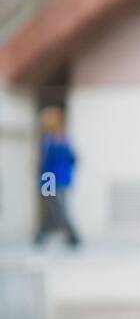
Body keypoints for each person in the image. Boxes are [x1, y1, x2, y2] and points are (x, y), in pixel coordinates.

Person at [33, 105, 81, 248]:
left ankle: (73, 236)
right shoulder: (63, 138)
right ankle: (40, 236)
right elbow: (73, 159)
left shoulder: (48, 140)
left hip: (50, 179)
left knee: (56, 208)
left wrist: (41, 179)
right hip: (62, 178)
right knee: (53, 208)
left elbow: (44, 162)